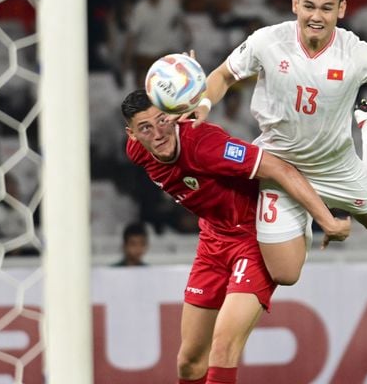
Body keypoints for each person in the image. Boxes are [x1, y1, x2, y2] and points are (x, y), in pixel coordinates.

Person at [180, 0, 367, 283]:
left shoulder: (356, 51)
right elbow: (224, 75)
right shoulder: (266, 40)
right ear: (295, 4)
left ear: (341, 9)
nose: (316, 16)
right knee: (286, 275)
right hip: (279, 166)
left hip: (334, 164)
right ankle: (304, 209)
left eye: (327, 8)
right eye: (309, 6)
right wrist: (203, 102)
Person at [122, 89, 349, 384]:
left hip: (254, 238)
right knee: (189, 363)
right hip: (212, 241)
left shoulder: (205, 144)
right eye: (145, 128)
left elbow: (279, 168)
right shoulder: (138, 151)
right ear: (132, 134)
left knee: (223, 347)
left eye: (163, 120)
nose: (158, 133)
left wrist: (326, 220)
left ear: (173, 116)